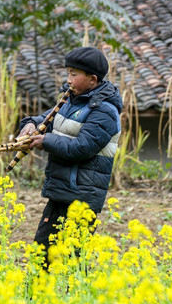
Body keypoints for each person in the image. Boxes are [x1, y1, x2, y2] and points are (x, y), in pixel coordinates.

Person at [18, 46, 122, 269]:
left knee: (74, 262)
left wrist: (45, 141)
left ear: (92, 79)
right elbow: (46, 119)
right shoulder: (70, 101)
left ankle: (74, 303)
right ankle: (34, 302)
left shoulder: (105, 111)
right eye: (68, 73)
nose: (68, 79)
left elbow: (83, 147)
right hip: (61, 191)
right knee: (41, 254)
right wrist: (30, 124)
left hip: (83, 196)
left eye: (74, 74)